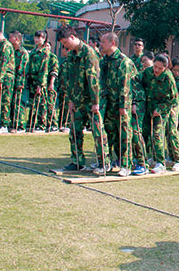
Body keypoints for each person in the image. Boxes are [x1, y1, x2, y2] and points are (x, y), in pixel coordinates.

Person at [56, 26, 109, 172]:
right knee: (74, 131)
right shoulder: (72, 55)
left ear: (73, 37)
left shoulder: (89, 53)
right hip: (77, 101)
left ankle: (104, 162)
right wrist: (71, 100)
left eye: (66, 42)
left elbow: (94, 80)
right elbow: (71, 79)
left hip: (91, 101)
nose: (65, 46)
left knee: (97, 132)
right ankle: (77, 161)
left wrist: (95, 102)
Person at [99, 32, 135, 177]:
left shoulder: (123, 61)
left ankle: (126, 165)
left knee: (124, 134)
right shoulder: (105, 61)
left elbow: (125, 86)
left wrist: (123, 106)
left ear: (112, 43)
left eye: (103, 42)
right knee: (110, 134)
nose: (101, 44)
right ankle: (114, 161)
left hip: (121, 106)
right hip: (108, 105)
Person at [147, 54, 179, 173]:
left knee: (171, 131)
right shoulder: (149, 72)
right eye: (155, 67)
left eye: (160, 68)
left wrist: (160, 109)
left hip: (170, 105)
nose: (156, 70)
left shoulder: (168, 78)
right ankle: (158, 160)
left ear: (166, 68)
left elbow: (173, 99)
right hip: (156, 105)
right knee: (156, 132)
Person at [25, 31, 49, 132]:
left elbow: (44, 69)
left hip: (39, 81)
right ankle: (31, 123)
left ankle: (41, 124)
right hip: (32, 81)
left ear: (44, 39)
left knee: (41, 103)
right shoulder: (34, 51)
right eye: (36, 37)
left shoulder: (45, 52)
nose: (37, 39)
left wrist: (41, 84)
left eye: (39, 38)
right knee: (32, 103)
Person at [9, 31, 29, 133]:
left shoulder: (23, 53)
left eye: (11, 38)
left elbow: (22, 70)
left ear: (17, 39)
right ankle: (12, 123)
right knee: (11, 103)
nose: (9, 40)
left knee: (18, 104)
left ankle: (19, 125)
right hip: (11, 82)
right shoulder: (11, 51)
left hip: (18, 82)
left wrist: (19, 84)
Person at [44, 42, 59, 131]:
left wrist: (51, 83)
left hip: (49, 83)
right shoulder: (41, 56)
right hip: (42, 84)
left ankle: (53, 123)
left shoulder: (52, 57)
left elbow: (54, 71)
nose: (46, 48)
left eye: (48, 46)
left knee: (50, 104)